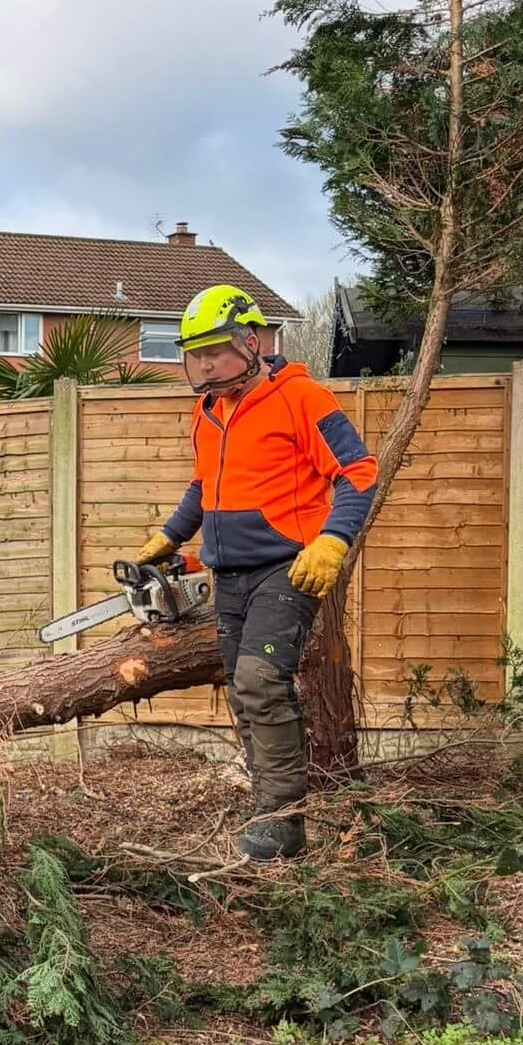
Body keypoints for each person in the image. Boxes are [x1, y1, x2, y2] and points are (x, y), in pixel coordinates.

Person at [136, 285, 378, 861]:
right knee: (244, 696)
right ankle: (267, 806)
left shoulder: (301, 398)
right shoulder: (208, 411)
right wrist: (172, 534)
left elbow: (358, 470)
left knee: (260, 682)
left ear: (250, 341)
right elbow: (204, 485)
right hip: (230, 572)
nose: (205, 364)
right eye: (195, 354)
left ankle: (283, 821)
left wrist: (332, 540)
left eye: (216, 350)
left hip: (286, 566)